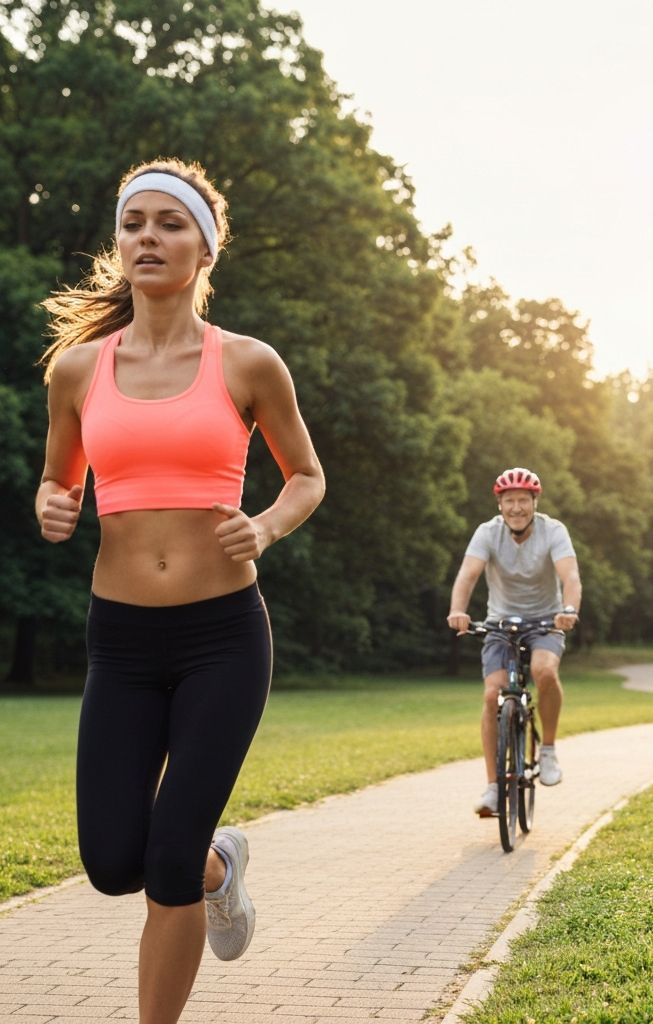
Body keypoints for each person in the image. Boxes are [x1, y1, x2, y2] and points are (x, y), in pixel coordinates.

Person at [35, 158, 325, 1024]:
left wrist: (265, 526)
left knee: (163, 865)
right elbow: (62, 485)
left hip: (223, 638)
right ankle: (219, 867)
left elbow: (306, 476)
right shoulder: (77, 371)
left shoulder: (247, 363)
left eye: (170, 223)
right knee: (113, 861)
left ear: (204, 248)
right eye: (134, 224)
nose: (148, 237)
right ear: (118, 243)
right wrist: (53, 505)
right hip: (119, 641)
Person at [447, 467, 582, 816]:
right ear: (500, 504)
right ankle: (493, 788)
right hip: (500, 623)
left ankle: (548, 750)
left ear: (535, 502)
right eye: (510, 501)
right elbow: (468, 574)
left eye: (524, 500)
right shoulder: (487, 533)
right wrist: (458, 610)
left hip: (546, 620)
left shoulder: (553, 531)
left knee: (545, 671)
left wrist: (568, 609)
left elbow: (570, 576)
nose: (517, 507)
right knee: (492, 695)